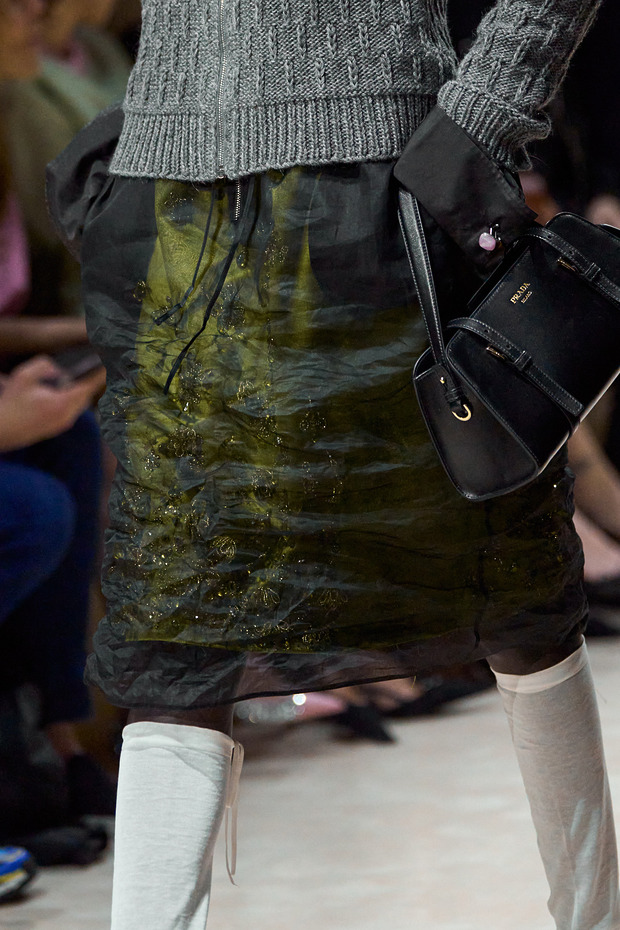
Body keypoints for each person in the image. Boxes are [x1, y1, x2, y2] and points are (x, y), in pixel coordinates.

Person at [48, 1, 618, 928]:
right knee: (178, 617)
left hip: (386, 194)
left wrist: (487, 106)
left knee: (510, 584)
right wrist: (151, 117)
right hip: (177, 194)